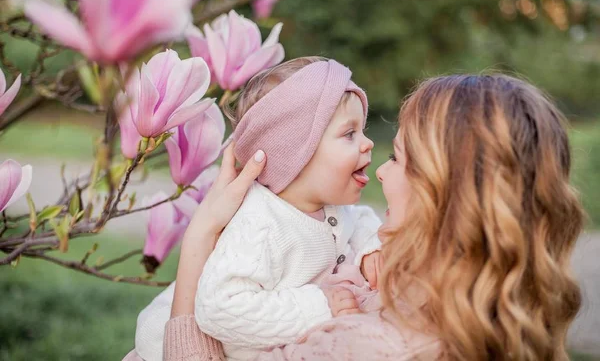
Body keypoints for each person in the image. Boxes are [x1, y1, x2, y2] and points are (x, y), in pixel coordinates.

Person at [160, 74, 584, 361]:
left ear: (445, 192)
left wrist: (200, 237)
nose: (379, 169)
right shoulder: (492, 313)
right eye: (350, 135)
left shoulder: (363, 347)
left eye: (397, 158)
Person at [134, 57, 384, 361]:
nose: (368, 143)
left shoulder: (329, 207)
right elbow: (220, 308)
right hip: (172, 346)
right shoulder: (261, 224)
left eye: (363, 129)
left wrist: (371, 249)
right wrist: (319, 307)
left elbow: (360, 222)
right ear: (297, 152)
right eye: (350, 133)